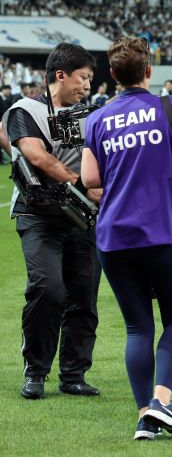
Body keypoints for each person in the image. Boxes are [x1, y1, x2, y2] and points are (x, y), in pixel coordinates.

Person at [81, 36, 172, 440]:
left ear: (113, 75)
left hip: (113, 236)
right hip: (161, 230)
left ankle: (145, 418)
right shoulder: (168, 107)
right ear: (149, 71)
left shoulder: (97, 118)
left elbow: (89, 179)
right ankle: (162, 401)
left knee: (137, 328)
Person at [1, 43, 101, 399]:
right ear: (61, 75)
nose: (87, 85)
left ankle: (74, 374)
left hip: (84, 220)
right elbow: (37, 156)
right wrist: (83, 185)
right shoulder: (24, 109)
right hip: (39, 217)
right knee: (47, 289)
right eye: (83, 77)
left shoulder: (91, 115)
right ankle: (36, 371)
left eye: (90, 79)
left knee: (84, 296)